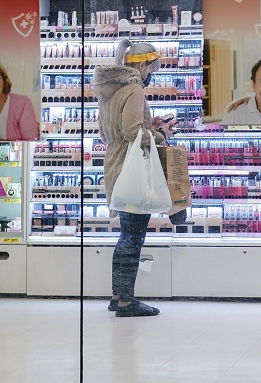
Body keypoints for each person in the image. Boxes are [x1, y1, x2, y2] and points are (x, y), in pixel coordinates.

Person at [94, 39, 172, 318]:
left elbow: (111, 131)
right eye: (151, 69)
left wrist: (145, 127)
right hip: (132, 167)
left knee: (126, 234)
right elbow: (132, 132)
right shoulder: (134, 90)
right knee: (133, 236)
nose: (151, 75)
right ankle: (126, 300)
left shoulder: (109, 90)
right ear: (141, 65)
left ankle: (118, 295)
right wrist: (160, 135)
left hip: (115, 164)